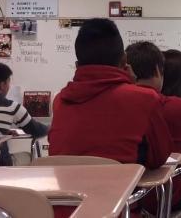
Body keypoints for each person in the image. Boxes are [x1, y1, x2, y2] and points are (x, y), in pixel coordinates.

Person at [48, 18, 172, 170]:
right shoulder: (145, 98)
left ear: (77, 66)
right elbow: (159, 157)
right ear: (124, 61)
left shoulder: (60, 101)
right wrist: (131, 84)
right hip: (121, 192)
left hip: (63, 192)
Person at [125, 44, 181, 211]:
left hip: (115, 196)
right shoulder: (175, 106)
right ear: (158, 70)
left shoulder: (113, 104)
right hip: (161, 195)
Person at [0, 62, 49, 166]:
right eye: (8, 82)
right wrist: (52, 127)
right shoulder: (11, 107)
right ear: (1, 85)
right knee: (26, 157)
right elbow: (36, 130)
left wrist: (2, 131)